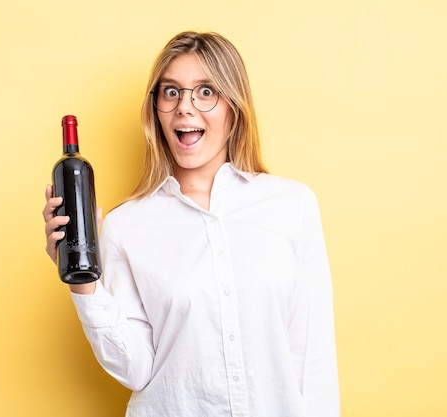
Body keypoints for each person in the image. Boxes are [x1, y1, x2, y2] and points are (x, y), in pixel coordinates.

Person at [43, 30, 339, 417]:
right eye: (171, 92)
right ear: (156, 110)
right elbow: (137, 368)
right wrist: (85, 284)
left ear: (234, 106)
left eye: (204, 92)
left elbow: (312, 354)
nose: (185, 107)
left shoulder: (291, 205)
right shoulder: (125, 226)